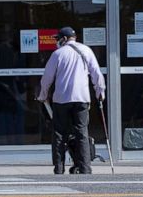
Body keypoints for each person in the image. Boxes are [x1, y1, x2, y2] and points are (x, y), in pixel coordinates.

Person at [38, 27, 105, 175]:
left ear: (64, 38)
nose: (57, 42)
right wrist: (100, 92)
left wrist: (43, 95)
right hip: (82, 98)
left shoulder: (58, 54)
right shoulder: (87, 51)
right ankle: (85, 168)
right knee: (82, 132)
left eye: (58, 39)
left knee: (59, 133)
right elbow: (97, 74)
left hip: (61, 98)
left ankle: (59, 168)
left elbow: (47, 78)